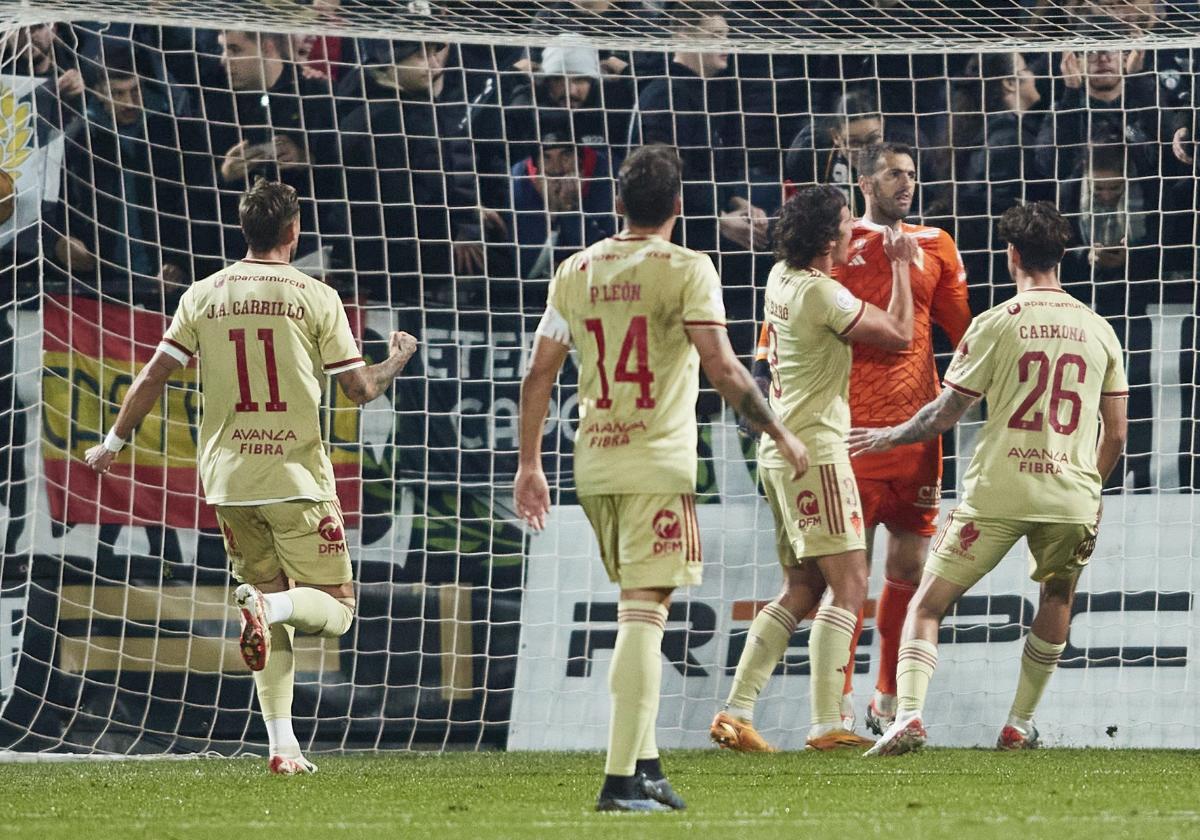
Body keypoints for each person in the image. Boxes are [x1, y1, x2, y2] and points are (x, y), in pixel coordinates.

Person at [84, 180, 419, 774]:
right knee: (337, 609)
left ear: (246, 230)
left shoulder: (203, 294)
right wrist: (398, 355)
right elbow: (359, 389)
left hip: (229, 482)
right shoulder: (317, 296)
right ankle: (274, 616)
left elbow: (154, 375)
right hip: (295, 477)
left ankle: (283, 747)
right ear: (294, 231)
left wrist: (112, 442)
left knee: (268, 603)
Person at [514, 145, 808, 811]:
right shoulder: (688, 268)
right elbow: (725, 369)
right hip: (655, 461)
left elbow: (538, 375)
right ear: (678, 207)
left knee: (638, 608)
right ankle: (620, 781)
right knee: (644, 615)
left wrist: (531, 463)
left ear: (617, 203)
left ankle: (644, 765)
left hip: (593, 461)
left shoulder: (575, 268)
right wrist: (781, 431)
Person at [852, 201, 1128, 755]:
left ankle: (907, 716)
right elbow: (1117, 435)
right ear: (1064, 255)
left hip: (998, 491)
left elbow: (943, 414)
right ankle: (1018, 725)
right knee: (1056, 595)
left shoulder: (995, 324)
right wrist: (1090, 487)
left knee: (927, 604)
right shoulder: (1100, 331)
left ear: (1012, 256)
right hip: (1070, 496)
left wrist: (888, 436)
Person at [711, 183, 916, 754]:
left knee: (801, 587)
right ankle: (829, 723)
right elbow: (898, 334)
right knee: (849, 585)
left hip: (779, 452)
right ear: (829, 239)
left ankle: (736, 711)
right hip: (816, 452)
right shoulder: (821, 295)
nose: (854, 230)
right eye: (848, 224)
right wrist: (900, 269)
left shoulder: (781, 276)